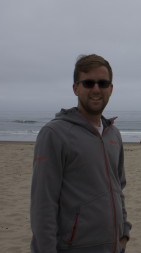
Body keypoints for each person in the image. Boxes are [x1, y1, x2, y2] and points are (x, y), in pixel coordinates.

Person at [30, 54, 131, 253]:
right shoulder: (55, 134)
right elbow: (43, 204)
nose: (96, 89)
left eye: (103, 83)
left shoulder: (114, 134)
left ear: (111, 89)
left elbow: (119, 187)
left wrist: (124, 232)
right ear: (76, 88)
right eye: (88, 83)